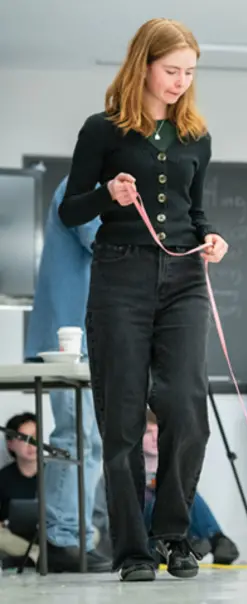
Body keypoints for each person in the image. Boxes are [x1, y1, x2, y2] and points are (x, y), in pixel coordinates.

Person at [57, 18, 229, 582]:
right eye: (171, 70)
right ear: (144, 65)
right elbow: (69, 211)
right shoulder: (103, 129)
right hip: (119, 277)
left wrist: (212, 236)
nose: (181, 82)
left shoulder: (196, 136)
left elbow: (194, 209)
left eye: (189, 73)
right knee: (123, 415)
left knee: (185, 404)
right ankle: (133, 550)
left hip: (183, 278)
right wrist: (107, 193)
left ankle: (174, 535)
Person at [23, 176, 111, 572]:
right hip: (66, 339)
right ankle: (61, 540)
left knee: (87, 439)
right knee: (75, 437)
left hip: (85, 337)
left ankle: (71, 536)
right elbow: (105, 244)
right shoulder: (81, 186)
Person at [142, 410, 239, 565]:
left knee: (183, 491)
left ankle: (213, 540)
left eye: (157, 432)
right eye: (148, 433)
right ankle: (209, 538)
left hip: (171, 516)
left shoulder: (171, 465)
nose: (154, 438)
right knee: (162, 496)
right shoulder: (126, 468)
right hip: (146, 530)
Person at [0, 414, 40, 566]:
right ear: (10, 444)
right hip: (14, 538)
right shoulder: (3, 477)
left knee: (91, 532)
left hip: (50, 535)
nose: (31, 444)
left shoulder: (56, 475)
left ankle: (36, 555)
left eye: (35, 437)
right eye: (24, 438)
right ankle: (38, 554)